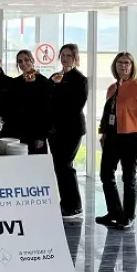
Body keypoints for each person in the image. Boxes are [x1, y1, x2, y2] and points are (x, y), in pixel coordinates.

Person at [96, 52, 137, 230]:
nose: (123, 65)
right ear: (115, 66)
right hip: (112, 137)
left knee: (128, 177)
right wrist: (104, 134)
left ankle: (128, 216)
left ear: (132, 66)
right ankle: (114, 213)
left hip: (132, 138)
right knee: (106, 174)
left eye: (127, 63)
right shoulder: (112, 88)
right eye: (120, 63)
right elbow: (108, 115)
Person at [50, 44, 89, 219]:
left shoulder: (80, 79)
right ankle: (65, 203)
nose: (65, 58)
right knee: (59, 167)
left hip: (71, 130)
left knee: (65, 165)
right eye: (63, 55)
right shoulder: (55, 76)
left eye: (69, 55)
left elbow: (75, 106)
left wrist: (58, 89)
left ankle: (74, 206)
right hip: (55, 130)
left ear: (75, 58)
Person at [6, 50, 51, 154]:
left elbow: (46, 111)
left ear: (32, 61)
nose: (23, 63)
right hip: (18, 132)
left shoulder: (43, 82)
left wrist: (41, 136)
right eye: (20, 61)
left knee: (35, 161)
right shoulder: (15, 82)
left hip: (36, 132)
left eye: (26, 60)